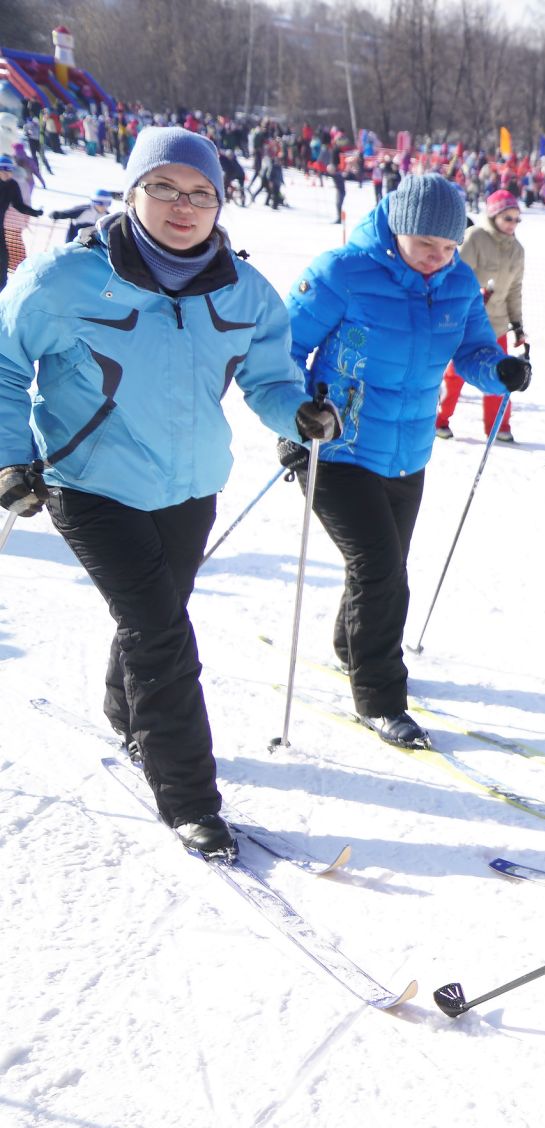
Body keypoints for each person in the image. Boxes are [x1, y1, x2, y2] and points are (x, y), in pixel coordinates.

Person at [0, 127, 333, 855]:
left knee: (155, 616)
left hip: (190, 487)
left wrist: (298, 412)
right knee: (163, 635)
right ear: (132, 192)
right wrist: (10, 458)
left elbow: (269, 378)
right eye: (164, 188)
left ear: (219, 202)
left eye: (201, 193)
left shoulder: (244, 291)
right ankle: (190, 798)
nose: (183, 207)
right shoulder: (63, 280)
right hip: (89, 484)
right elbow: (3, 361)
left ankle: (126, 712)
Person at [283, 174, 531, 746]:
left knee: (382, 564)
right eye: (426, 245)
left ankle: (351, 646)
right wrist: (293, 417)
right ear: (396, 227)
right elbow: (282, 349)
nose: (437, 258)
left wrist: (500, 370)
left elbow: (472, 352)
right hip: (334, 447)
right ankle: (380, 696)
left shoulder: (458, 282)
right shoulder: (341, 272)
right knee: (381, 569)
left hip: (405, 453)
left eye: (448, 247)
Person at [436, 189, 528, 443]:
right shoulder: (475, 237)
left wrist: (517, 324)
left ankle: (499, 425)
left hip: (496, 324)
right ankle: (440, 418)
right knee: (456, 374)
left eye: (517, 219)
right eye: (508, 218)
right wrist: (473, 295)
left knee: (501, 374)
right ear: (495, 215)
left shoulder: (517, 250)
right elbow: (455, 274)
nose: (513, 224)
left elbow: (515, 290)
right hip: (468, 320)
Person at [0, 156, 43, 291]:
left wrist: (34, 212)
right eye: (3, 170)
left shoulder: (13, 185)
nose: (7, 173)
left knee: (3, 257)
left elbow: (18, 205)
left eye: (9, 170)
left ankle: (2, 287)